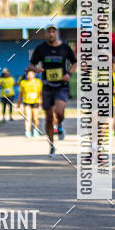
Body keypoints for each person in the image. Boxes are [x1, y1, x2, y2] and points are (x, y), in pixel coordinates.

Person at [27, 25, 77, 156]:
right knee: (49, 117)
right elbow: (31, 65)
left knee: (59, 111)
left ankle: (59, 124)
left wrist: (69, 74)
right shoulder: (41, 48)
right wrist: (35, 69)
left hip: (61, 85)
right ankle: (52, 145)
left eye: (53, 31)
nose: (51, 34)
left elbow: (75, 62)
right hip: (47, 86)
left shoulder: (65, 48)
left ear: (57, 34)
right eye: (48, 32)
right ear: (45, 34)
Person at [17, 69, 42, 137]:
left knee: (35, 118)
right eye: (28, 74)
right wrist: (18, 103)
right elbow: (20, 93)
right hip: (26, 102)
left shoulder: (38, 82)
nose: (29, 76)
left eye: (31, 74)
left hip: (35, 102)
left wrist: (40, 101)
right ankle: (27, 131)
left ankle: (35, 130)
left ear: (34, 75)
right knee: (27, 117)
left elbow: (40, 93)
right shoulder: (23, 82)